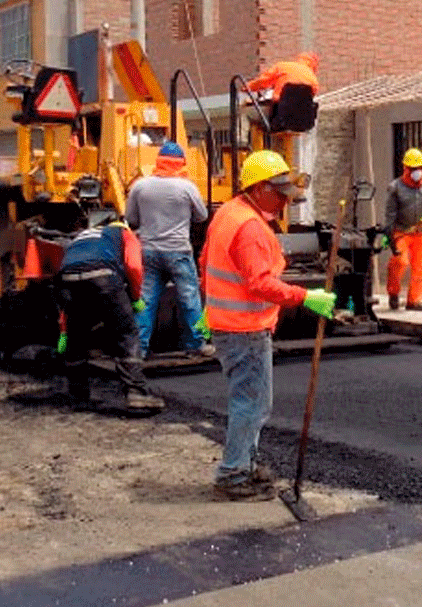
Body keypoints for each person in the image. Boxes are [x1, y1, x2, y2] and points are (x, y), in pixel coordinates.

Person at [200, 149, 336, 500]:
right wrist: (306, 298)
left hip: (231, 325)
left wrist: (207, 306)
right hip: (245, 329)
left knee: (251, 401)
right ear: (258, 188)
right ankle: (232, 475)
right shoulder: (248, 227)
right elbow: (259, 283)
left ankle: (244, 463)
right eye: (278, 193)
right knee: (252, 404)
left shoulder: (229, 213)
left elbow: (205, 260)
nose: (284, 201)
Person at [56, 219, 164, 411]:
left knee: (77, 335)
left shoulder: (82, 238)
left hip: (67, 278)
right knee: (126, 332)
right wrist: (136, 297)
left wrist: (64, 330)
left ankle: (78, 394)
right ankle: (136, 393)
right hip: (102, 275)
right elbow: (134, 267)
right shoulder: (125, 234)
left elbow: (65, 302)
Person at [125, 140, 212, 358]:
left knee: (145, 300)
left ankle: (139, 348)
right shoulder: (187, 187)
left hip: (149, 251)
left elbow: (131, 220)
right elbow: (202, 216)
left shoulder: (140, 186)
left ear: (158, 161)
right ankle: (197, 344)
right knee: (189, 297)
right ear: (181, 163)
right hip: (178, 252)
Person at [378, 148, 422, 311]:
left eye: (420, 168)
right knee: (400, 262)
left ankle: (414, 301)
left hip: (421, 232)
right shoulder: (395, 187)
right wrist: (388, 234)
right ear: (405, 169)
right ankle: (393, 292)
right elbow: (390, 213)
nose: (417, 172)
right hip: (402, 232)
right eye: (413, 169)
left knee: (420, 267)